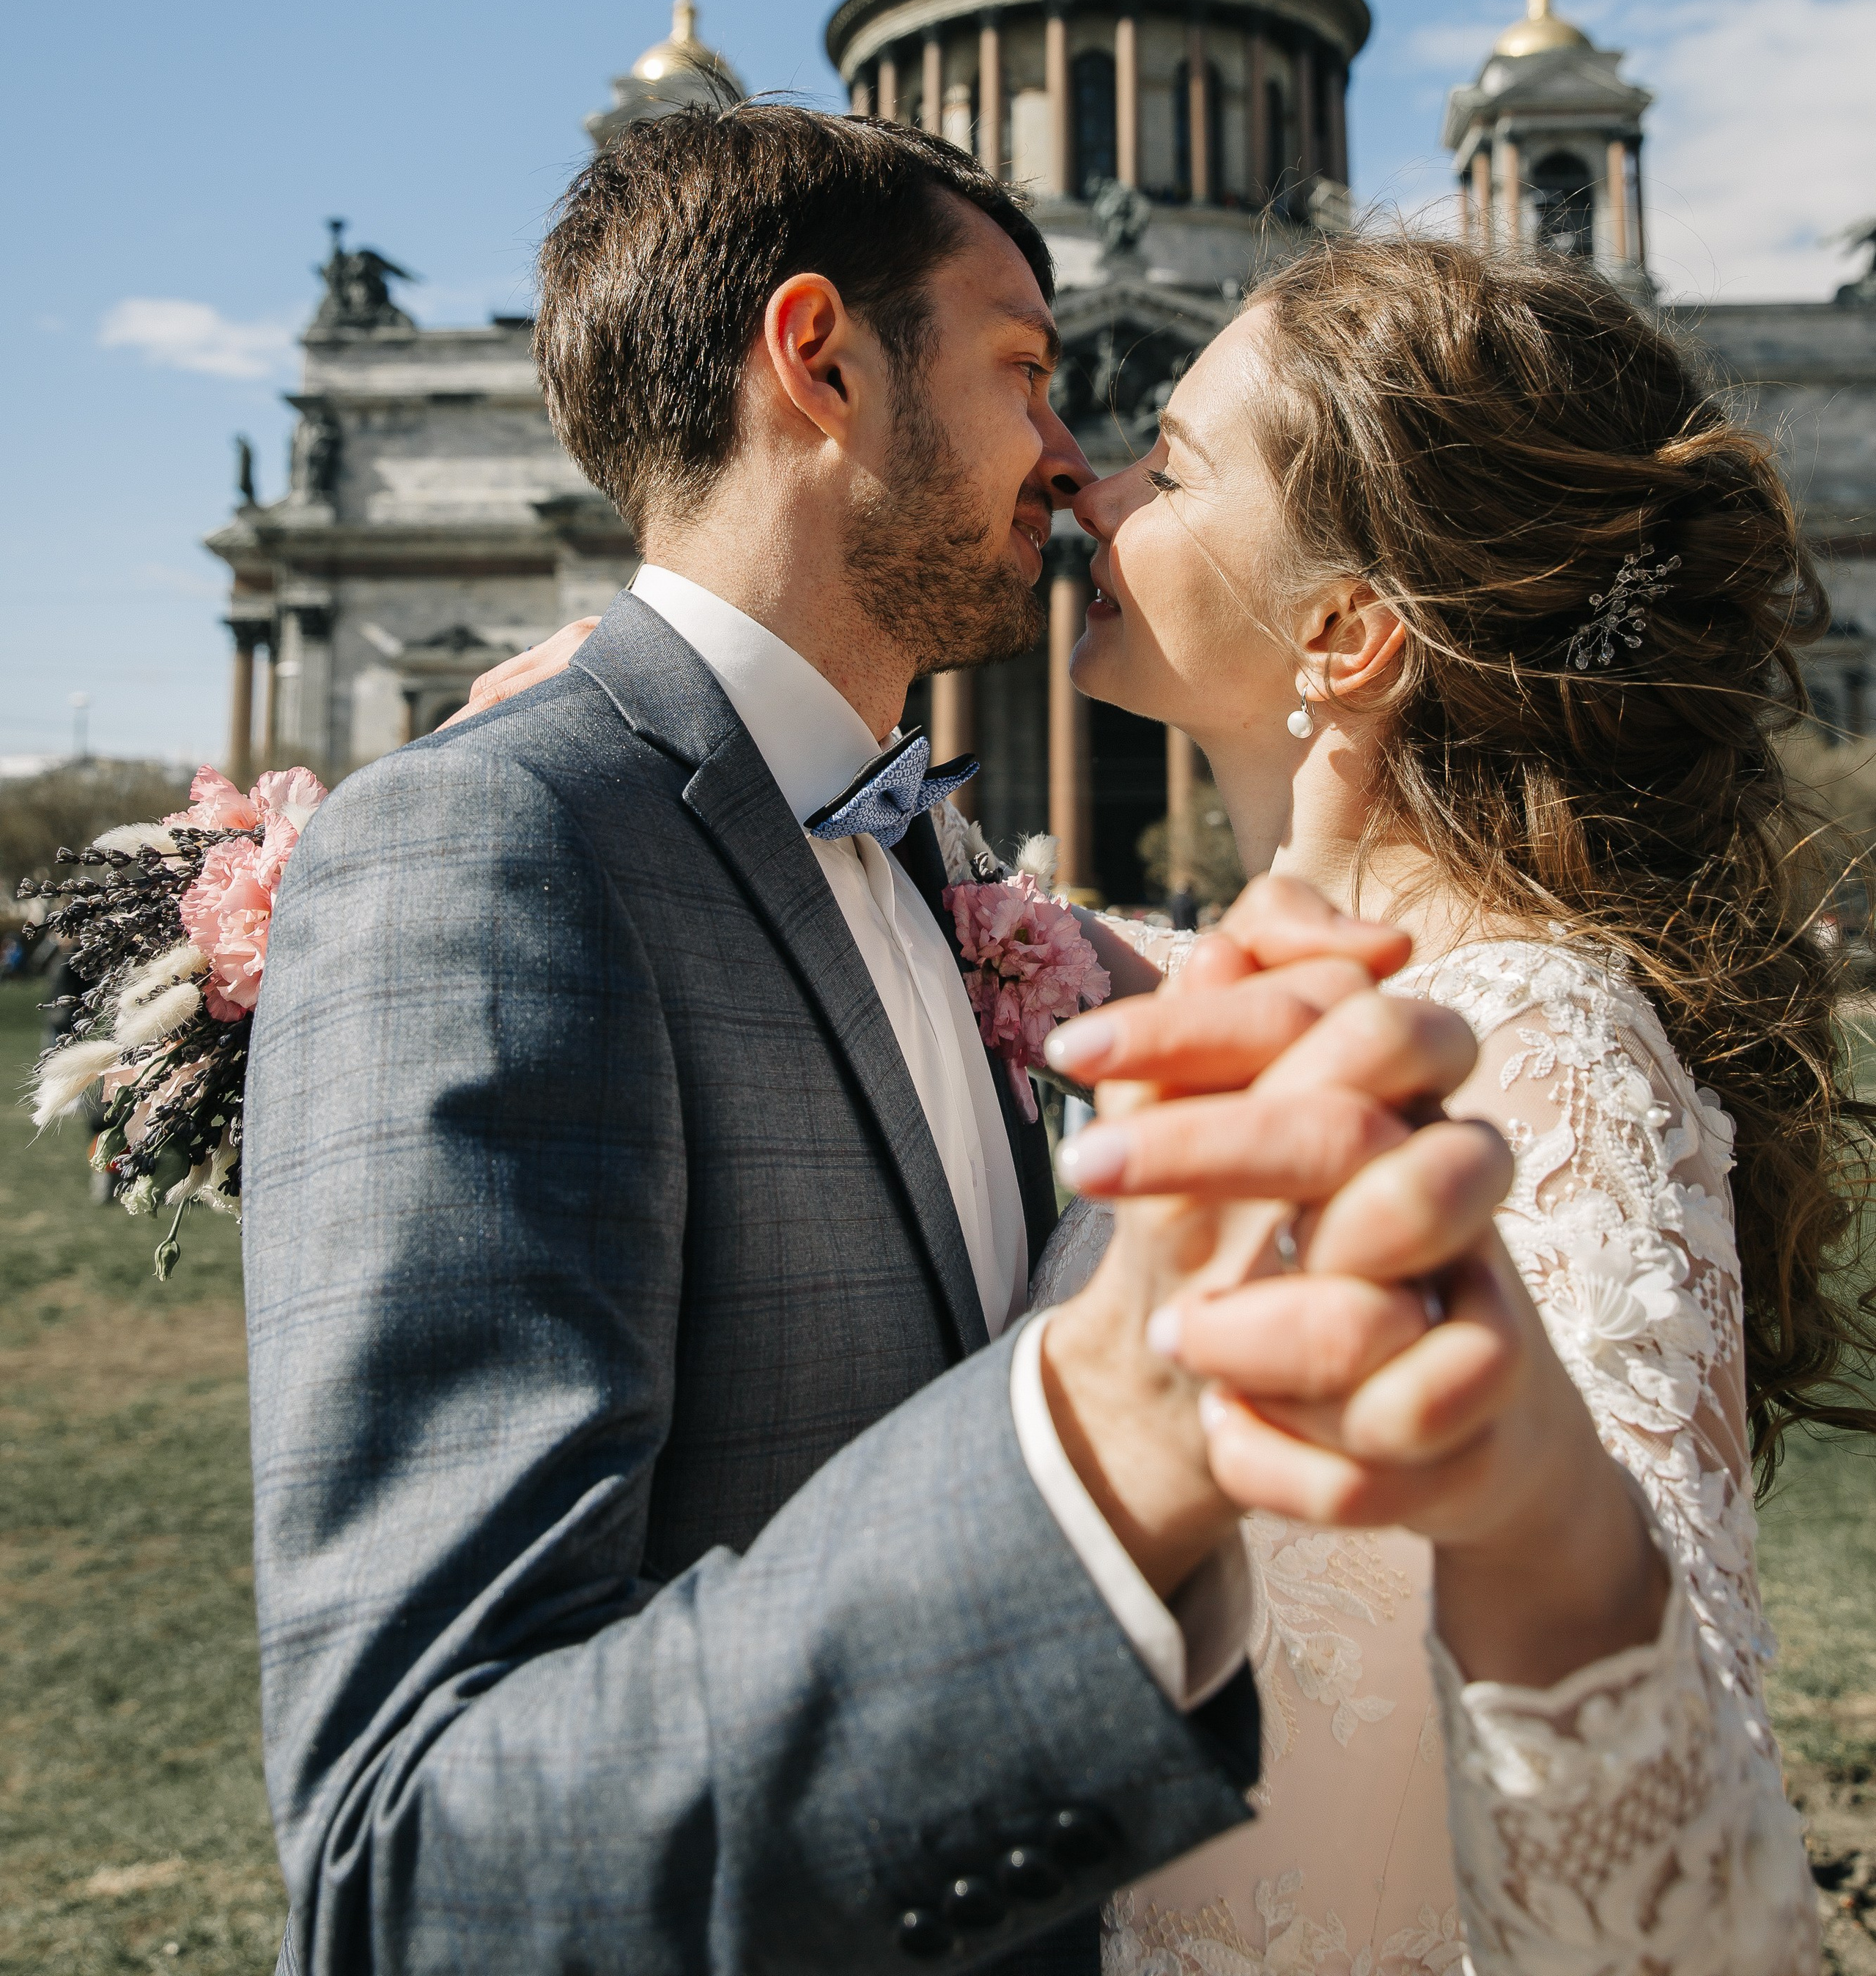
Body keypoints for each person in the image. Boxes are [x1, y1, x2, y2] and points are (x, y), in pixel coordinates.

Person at [248, 108, 1521, 1976]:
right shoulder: (492, 848)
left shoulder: (937, 861)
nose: (1075, 453)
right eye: (1023, 369)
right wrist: (1095, 1456)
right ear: (820, 360)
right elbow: (413, 1856)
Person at [1031, 233, 1855, 1972]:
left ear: (1339, 632)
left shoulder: (1536, 1053)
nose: (1086, 494)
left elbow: (1664, 1803)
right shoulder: (1204, 985)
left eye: (1166, 466)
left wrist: (1534, 1523)